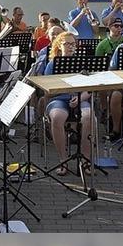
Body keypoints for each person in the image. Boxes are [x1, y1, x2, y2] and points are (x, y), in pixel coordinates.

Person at [43, 32, 95, 176]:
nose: (70, 47)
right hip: (59, 98)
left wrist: (80, 98)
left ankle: (85, 160)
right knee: (57, 117)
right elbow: (47, 90)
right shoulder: (53, 63)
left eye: (73, 44)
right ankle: (63, 160)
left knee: (88, 116)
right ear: (59, 45)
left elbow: (91, 88)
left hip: (80, 98)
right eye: (66, 44)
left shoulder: (83, 63)